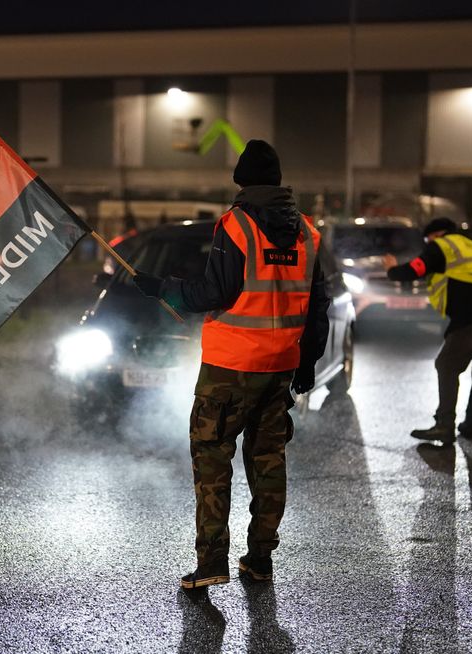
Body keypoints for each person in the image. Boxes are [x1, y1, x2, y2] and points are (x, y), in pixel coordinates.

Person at [131, 139, 330, 589]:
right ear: (278, 181)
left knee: (212, 459)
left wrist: (162, 287)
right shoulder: (307, 232)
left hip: (230, 366)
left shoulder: (236, 225)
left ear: (241, 181)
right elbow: (318, 306)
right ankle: (260, 559)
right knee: (268, 462)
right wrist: (307, 364)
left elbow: (213, 292)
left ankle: (211, 564)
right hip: (281, 366)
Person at [383, 217, 472, 444]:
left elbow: (416, 268)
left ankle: (444, 425)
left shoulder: (442, 246)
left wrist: (392, 270)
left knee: (446, 364)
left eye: (427, 239)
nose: (427, 243)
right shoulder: (471, 246)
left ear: (435, 234)